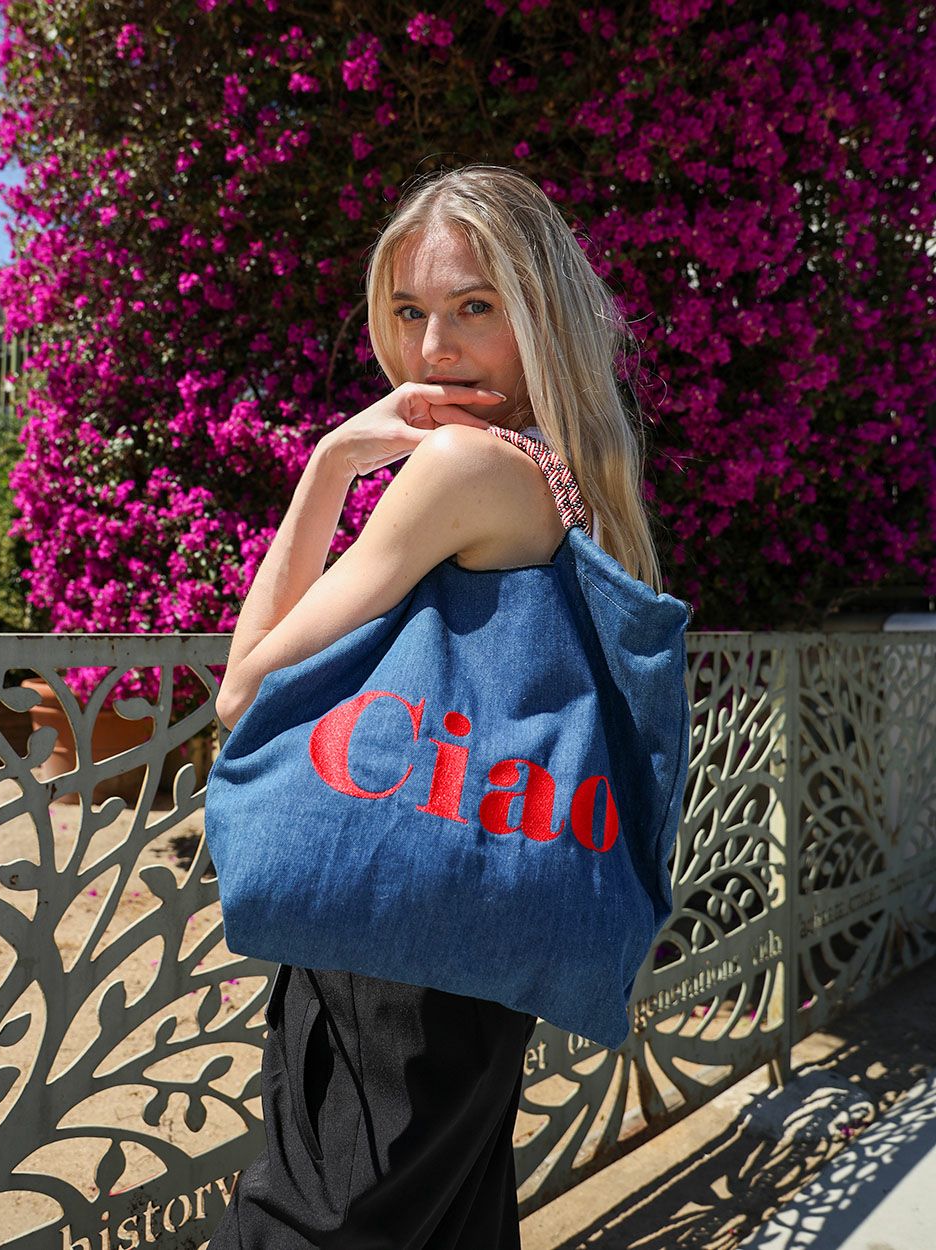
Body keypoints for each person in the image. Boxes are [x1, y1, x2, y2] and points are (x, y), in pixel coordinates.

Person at [208, 165, 665, 1249]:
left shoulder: (462, 464)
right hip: (480, 911)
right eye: (410, 311)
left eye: (474, 306)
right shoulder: (570, 472)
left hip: (392, 929)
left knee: (315, 1221)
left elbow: (244, 688)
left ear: (539, 313)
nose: (433, 350)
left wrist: (328, 465)